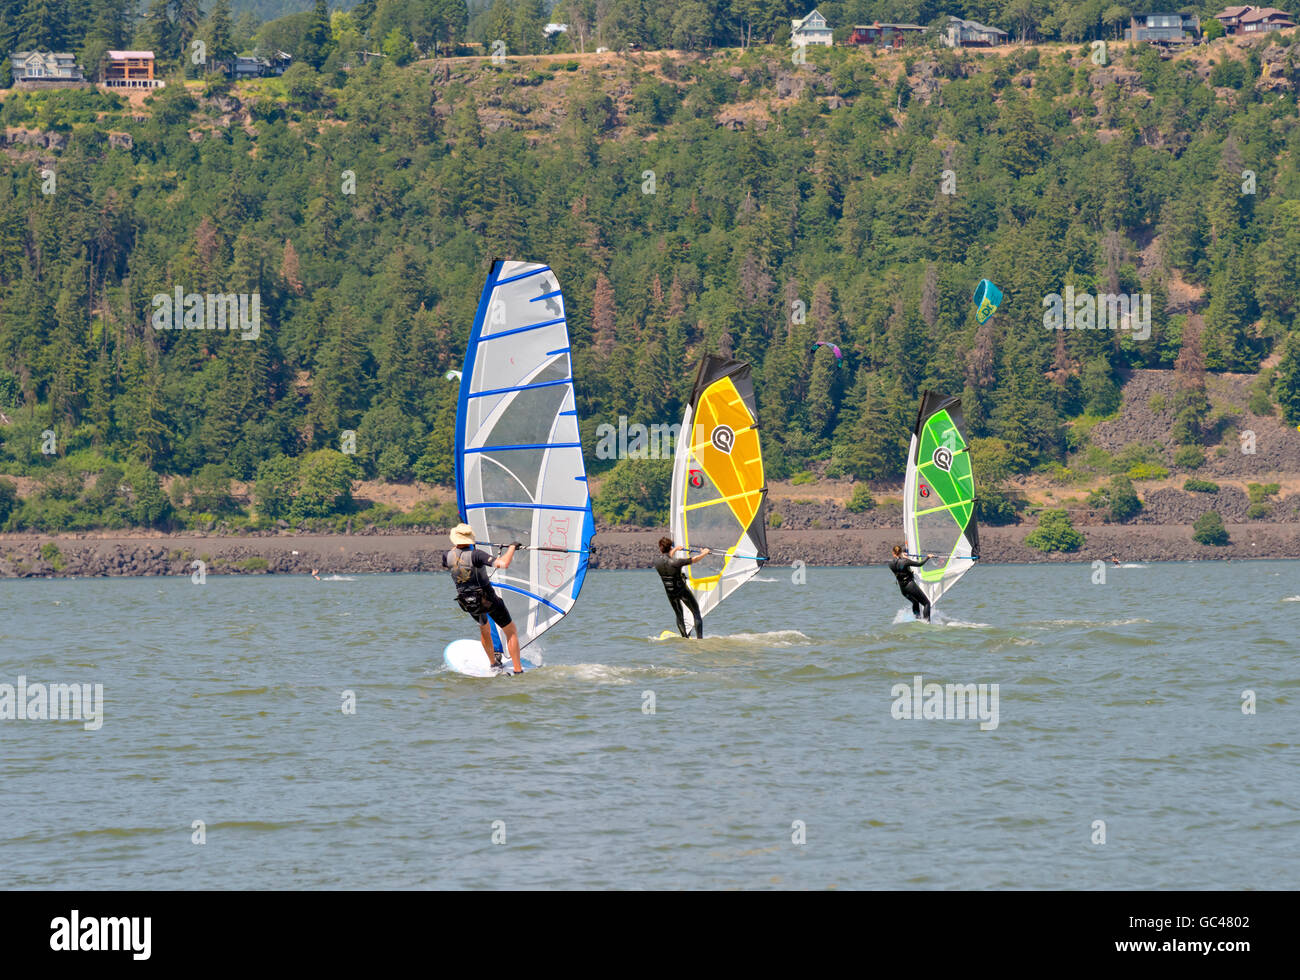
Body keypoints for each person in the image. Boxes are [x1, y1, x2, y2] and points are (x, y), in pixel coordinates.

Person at [442, 523, 523, 675]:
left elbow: (456, 556)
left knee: (484, 628)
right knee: (510, 631)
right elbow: (503, 564)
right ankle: (518, 670)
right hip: (488, 600)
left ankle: (494, 664)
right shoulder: (477, 554)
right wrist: (512, 547)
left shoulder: (447, 556)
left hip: (467, 602)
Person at [654, 537, 710, 638]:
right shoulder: (677, 562)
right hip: (682, 591)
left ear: (660, 548)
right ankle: (700, 639)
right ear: (670, 547)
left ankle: (685, 637)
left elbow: (667, 558)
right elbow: (695, 559)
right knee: (696, 612)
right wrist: (704, 553)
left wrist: (675, 549)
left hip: (670, 593)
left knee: (679, 615)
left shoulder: (657, 562)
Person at [890, 544, 935, 623]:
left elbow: (899, 565)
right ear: (901, 552)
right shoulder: (905, 561)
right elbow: (919, 564)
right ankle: (927, 623)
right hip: (910, 586)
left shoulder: (890, 564)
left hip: (903, 589)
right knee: (926, 603)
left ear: (893, 553)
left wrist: (902, 557)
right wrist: (928, 557)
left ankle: (917, 620)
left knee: (915, 602)